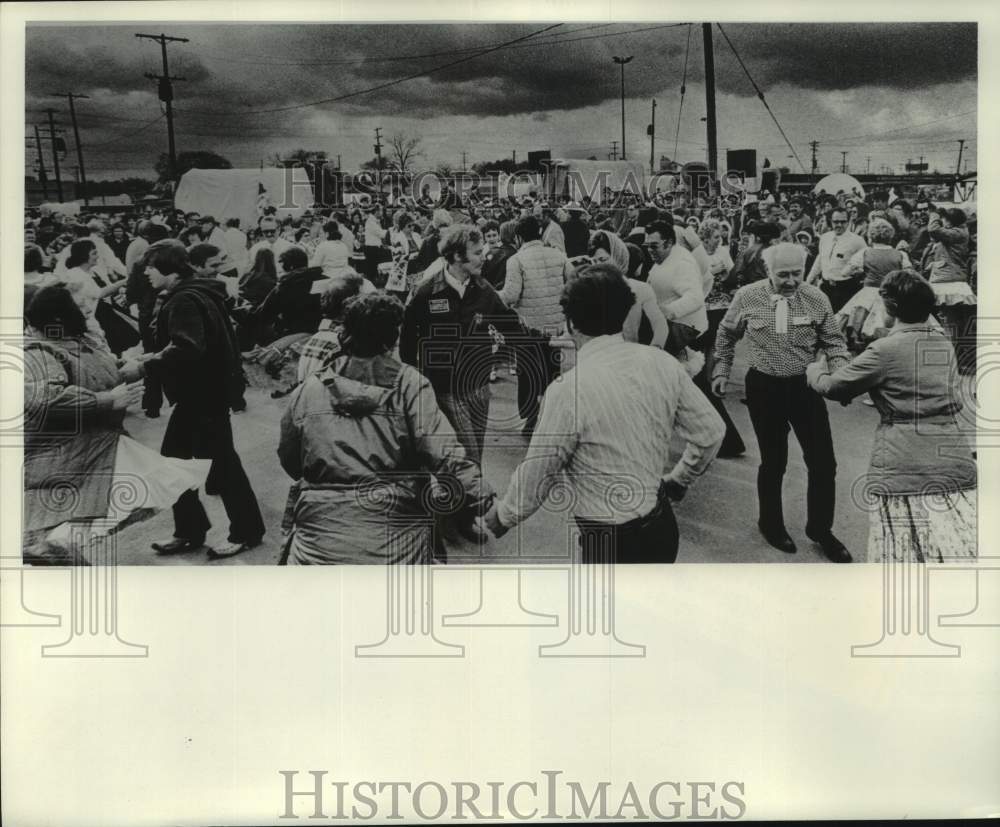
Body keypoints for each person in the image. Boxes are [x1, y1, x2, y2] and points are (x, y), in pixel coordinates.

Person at [483, 267, 725, 563]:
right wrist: (678, 479)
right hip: (661, 526)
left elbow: (539, 471)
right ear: (623, 314)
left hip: (609, 540)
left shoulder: (568, 390)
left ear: (570, 323)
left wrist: (505, 516)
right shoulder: (662, 363)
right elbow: (711, 432)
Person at [279, 293, 494, 564]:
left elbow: (289, 458)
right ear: (392, 339)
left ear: (345, 334)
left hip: (316, 540)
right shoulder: (410, 385)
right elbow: (444, 453)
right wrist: (479, 493)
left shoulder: (309, 388)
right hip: (397, 537)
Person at [21, 285, 208, 565]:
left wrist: (126, 367)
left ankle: (55, 550)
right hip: (73, 450)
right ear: (58, 317)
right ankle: (52, 552)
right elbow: (45, 397)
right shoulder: (38, 350)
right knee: (93, 506)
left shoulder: (74, 340)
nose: (87, 306)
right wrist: (106, 399)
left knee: (115, 497)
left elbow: (93, 369)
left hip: (97, 444)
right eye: (80, 303)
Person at [806, 270, 976, 562]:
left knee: (903, 549)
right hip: (952, 456)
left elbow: (833, 386)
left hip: (902, 461)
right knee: (952, 544)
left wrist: (815, 369)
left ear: (890, 308)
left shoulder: (884, 350)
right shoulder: (942, 342)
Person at [713, 242, 852, 562]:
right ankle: (770, 523)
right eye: (782, 275)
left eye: (797, 274)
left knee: (823, 463)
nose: (791, 281)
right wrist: (721, 370)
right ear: (767, 271)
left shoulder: (816, 298)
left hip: (804, 388)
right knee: (773, 462)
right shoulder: (747, 296)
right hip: (764, 388)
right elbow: (725, 334)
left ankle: (821, 530)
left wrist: (843, 379)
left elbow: (835, 343)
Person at [142, 242, 265, 559]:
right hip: (206, 395)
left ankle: (244, 532)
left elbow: (187, 347)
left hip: (201, 397)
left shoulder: (184, 298)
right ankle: (192, 531)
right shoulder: (199, 292)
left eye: (151, 267)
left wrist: (145, 364)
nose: (146, 273)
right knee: (180, 463)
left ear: (168, 268)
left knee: (218, 467)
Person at [401, 224, 520, 477]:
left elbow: (508, 324)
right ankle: (473, 507)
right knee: (468, 457)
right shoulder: (426, 293)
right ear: (457, 256)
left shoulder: (484, 288)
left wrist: (540, 342)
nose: (483, 257)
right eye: (477, 253)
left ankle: (459, 505)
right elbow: (408, 343)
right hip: (446, 389)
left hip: (479, 386)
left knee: (472, 453)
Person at [498, 214, 576, 437]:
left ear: (519, 238)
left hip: (529, 328)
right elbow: (574, 282)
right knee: (551, 372)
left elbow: (511, 295)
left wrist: (492, 296)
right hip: (555, 327)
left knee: (530, 373)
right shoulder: (559, 256)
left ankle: (531, 418)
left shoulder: (516, 260)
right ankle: (549, 417)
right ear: (540, 233)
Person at [837, 218, 914, 352]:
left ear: (871, 236)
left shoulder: (865, 253)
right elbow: (909, 275)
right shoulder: (900, 254)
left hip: (868, 295)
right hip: (892, 294)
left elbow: (844, 273)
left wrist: (859, 273)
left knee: (861, 329)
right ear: (890, 236)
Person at [588, 232, 669, 349]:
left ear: (617, 256)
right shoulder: (590, 290)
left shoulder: (640, 288)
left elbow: (659, 323)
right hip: (601, 357)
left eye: (603, 259)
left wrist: (656, 348)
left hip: (631, 356)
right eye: (594, 261)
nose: (598, 266)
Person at [644, 221, 707, 355]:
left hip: (685, 332)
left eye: (654, 246)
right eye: (647, 246)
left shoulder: (682, 264)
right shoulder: (664, 257)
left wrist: (667, 311)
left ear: (669, 243)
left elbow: (695, 298)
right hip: (671, 327)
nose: (650, 250)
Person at [807, 207, 868, 312]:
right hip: (825, 287)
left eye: (843, 222)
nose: (839, 225)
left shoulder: (857, 241)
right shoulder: (825, 237)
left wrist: (856, 273)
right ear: (831, 221)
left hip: (846, 289)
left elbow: (865, 265)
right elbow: (820, 260)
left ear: (848, 222)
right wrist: (809, 280)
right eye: (836, 222)